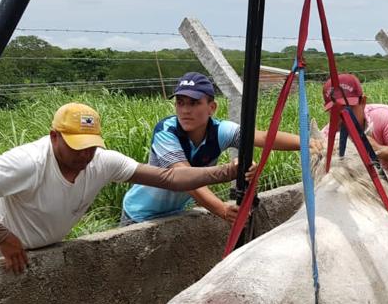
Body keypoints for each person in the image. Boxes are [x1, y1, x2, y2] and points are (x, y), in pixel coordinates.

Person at [0, 102, 242, 273]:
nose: (84, 155)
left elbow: (168, 178)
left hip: (43, 256)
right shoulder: (28, 162)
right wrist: (3, 238)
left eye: (91, 147)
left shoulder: (101, 162)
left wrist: (224, 172)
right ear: (54, 136)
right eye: (76, 147)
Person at [121, 72, 299, 226]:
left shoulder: (220, 131)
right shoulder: (166, 131)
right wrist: (221, 209)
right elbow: (184, 177)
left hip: (174, 213)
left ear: (212, 108)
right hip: (139, 215)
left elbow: (262, 138)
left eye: (194, 103)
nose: (185, 110)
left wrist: (307, 144)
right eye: (180, 103)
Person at [322, 73, 388, 217]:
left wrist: (378, 149)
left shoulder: (382, 116)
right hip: (361, 212)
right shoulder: (327, 139)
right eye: (335, 112)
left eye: (349, 108)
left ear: (363, 101)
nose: (343, 117)